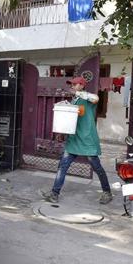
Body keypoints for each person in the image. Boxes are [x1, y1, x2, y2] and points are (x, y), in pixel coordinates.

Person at [41, 76, 113, 204]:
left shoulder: (88, 99)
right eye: (71, 85)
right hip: (73, 140)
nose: (72, 87)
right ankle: (54, 194)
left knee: (97, 168)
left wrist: (79, 93)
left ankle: (107, 192)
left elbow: (96, 98)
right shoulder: (74, 101)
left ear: (81, 85)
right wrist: (62, 133)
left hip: (87, 140)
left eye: (75, 84)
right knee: (62, 167)